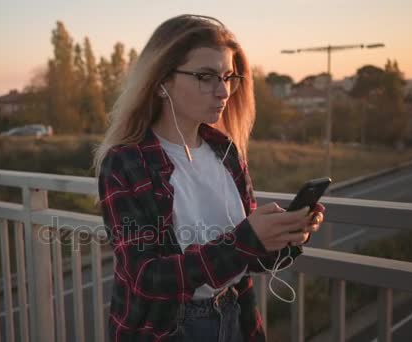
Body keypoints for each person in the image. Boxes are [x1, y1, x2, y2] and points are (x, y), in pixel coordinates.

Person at [93, 14, 325, 342]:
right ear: (160, 82)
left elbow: (248, 260)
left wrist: (287, 236)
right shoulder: (125, 163)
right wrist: (245, 238)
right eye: (206, 76)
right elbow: (146, 277)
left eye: (228, 77)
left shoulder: (226, 152)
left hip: (236, 316)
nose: (223, 91)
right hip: (167, 329)